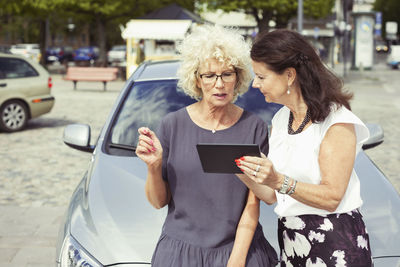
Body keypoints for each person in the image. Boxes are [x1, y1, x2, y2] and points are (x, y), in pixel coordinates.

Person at [135, 25, 277, 267]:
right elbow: (159, 201)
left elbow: (254, 203)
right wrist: (154, 166)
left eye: (227, 74)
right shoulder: (172, 125)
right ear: (197, 80)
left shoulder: (255, 128)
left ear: (238, 77)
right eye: (209, 76)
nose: (219, 84)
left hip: (240, 251)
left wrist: (237, 260)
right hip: (179, 253)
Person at [235, 29, 373, 266]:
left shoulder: (337, 120)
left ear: (289, 75)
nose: (255, 84)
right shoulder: (280, 119)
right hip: (292, 241)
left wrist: (278, 180)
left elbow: (332, 197)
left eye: (261, 76)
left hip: (335, 242)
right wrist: (239, 167)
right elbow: (272, 196)